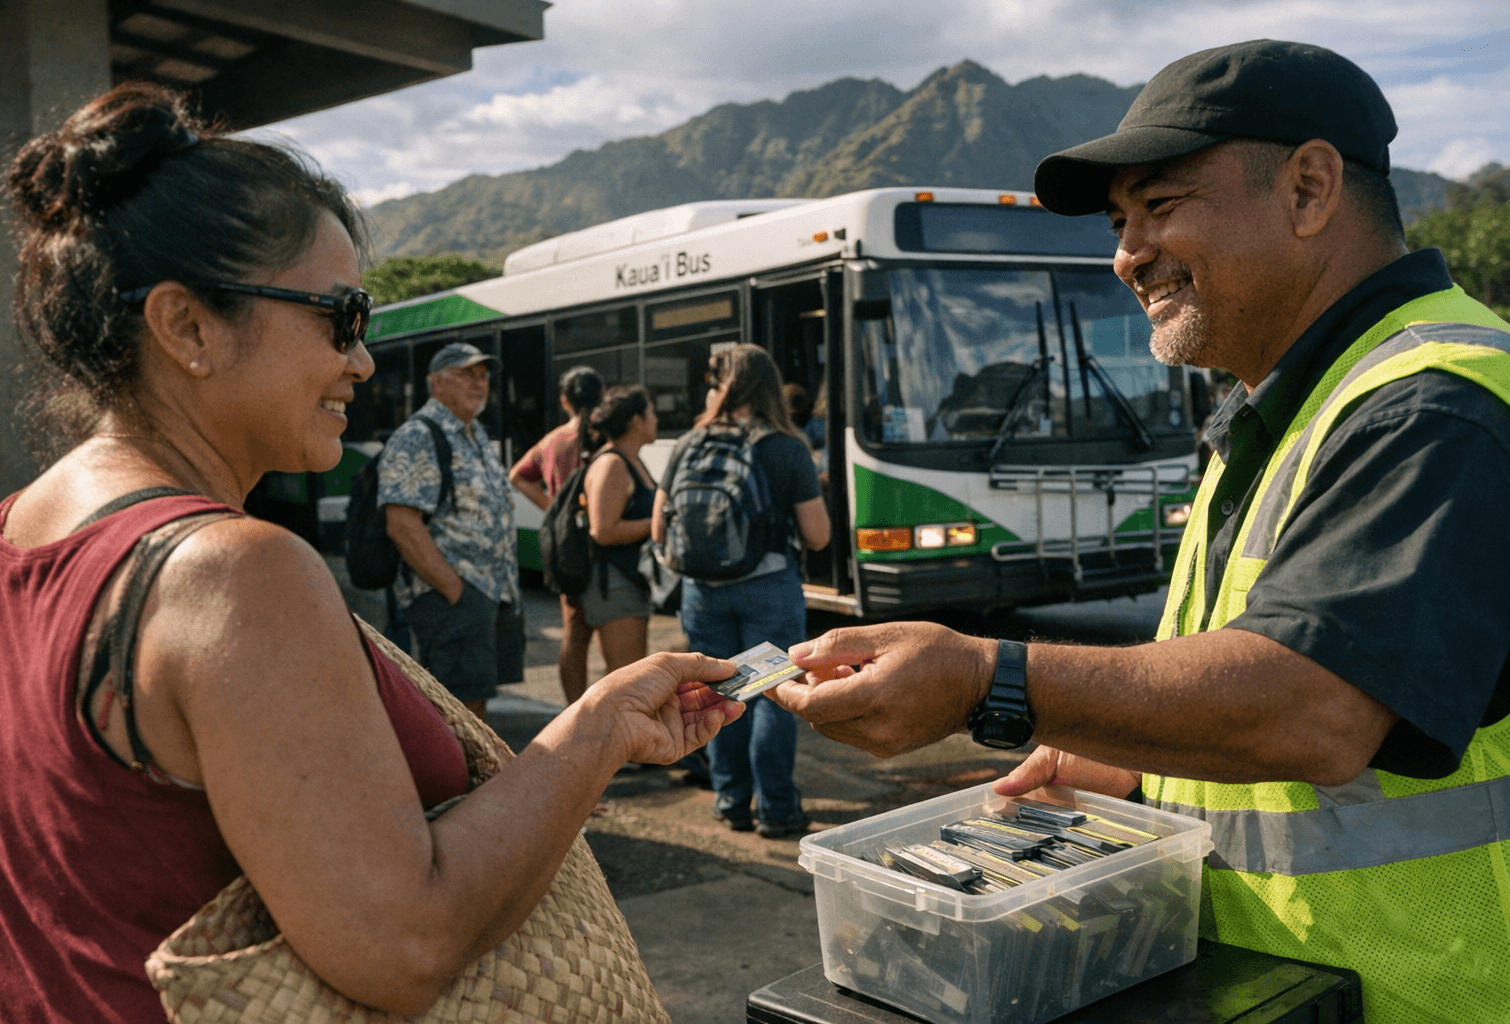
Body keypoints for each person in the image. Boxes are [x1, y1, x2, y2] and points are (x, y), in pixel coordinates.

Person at [769, 40, 1510, 1023]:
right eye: (1121, 222)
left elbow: (1317, 704)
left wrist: (987, 680)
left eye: (1159, 208)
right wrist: (1131, 753)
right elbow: (1244, 682)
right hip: (1279, 985)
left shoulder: (1436, 398)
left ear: (1309, 188)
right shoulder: (1282, 409)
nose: (1124, 256)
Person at [0, 82, 745, 1024]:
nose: (362, 360)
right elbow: (403, 943)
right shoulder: (233, 572)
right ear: (187, 327)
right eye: (341, 316)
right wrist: (599, 730)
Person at [655, 345, 831, 837]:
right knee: (772, 693)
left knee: (716, 693)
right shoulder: (786, 447)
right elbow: (818, 536)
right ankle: (776, 808)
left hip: (701, 592)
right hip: (769, 588)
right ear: (769, 386)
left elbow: (658, 528)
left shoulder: (689, 441)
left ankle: (731, 800)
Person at [379, 341, 522, 723]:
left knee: (475, 703)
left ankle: (474, 780)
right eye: (466, 374)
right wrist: (455, 590)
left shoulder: (474, 434)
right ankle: (460, 783)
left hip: (489, 592)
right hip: (453, 598)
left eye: (483, 375)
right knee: (457, 711)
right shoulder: (419, 436)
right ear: (436, 383)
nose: (479, 384)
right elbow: (402, 524)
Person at [510, 365, 605, 703]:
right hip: (606, 547)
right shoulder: (606, 437)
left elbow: (518, 476)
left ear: (565, 401)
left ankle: (575, 711)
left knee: (574, 637)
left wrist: (553, 506)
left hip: (568, 550)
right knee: (615, 642)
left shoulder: (553, 442)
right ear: (602, 395)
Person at [580, 384, 661, 673]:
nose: (656, 419)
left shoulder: (632, 459)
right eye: (651, 412)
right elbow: (603, 530)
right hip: (614, 585)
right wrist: (656, 524)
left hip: (629, 581)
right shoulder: (612, 464)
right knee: (627, 679)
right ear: (636, 420)